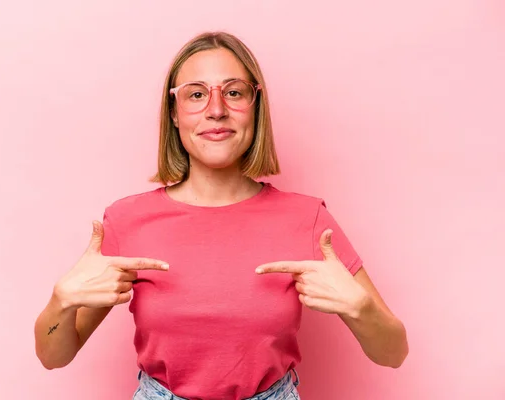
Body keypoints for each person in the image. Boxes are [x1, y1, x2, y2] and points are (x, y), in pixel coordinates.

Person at [34, 31, 409, 400]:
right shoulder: (126, 220)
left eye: (233, 92)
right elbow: (54, 356)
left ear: (255, 107)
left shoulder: (308, 218)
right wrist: (60, 302)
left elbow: (393, 354)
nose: (216, 110)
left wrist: (360, 308)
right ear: (175, 114)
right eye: (196, 94)